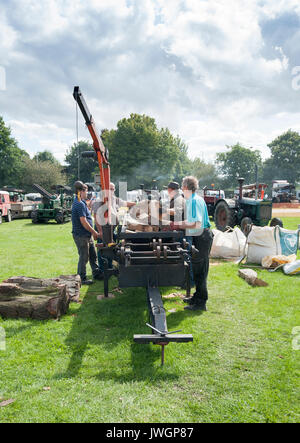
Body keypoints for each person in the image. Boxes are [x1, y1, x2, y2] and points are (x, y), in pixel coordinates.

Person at [171, 176, 213, 311]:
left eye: (182, 187)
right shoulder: (196, 199)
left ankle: (201, 303)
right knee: (197, 269)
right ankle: (197, 297)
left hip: (201, 236)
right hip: (201, 235)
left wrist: (177, 225)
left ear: (185, 187)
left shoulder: (193, 201)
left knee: (200, 271)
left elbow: (195, 223)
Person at [92, 182, 136, 273]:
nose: (112, 191)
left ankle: (110, 266)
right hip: (102, 228)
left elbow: (125, 203)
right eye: (110, 189)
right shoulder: (99, 201)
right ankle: (103, 269)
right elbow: (96, 218)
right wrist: (100, 232)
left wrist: (137, 204)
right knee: (103, 248)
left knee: (111, 247)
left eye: (113, 189)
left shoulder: (114, 199)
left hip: (111, 228)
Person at [71, 181, 102, 285]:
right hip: (81, 235)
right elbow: (83, 222)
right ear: (80, 191)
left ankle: (97, 273)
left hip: (86, 235)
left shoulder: (82, 202)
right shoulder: (79, 204)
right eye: (86, 191)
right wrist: (94, 232)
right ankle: (82, 278)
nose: (87, 193)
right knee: (84, 257)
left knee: (93, 255)